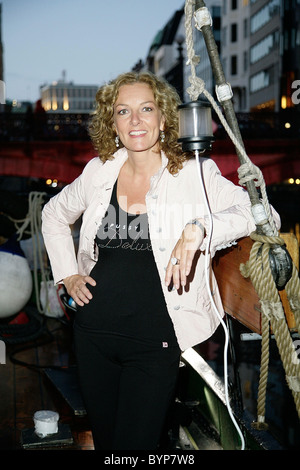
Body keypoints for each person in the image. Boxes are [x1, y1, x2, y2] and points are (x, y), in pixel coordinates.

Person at [41, 71, 280, 450]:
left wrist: (200, 228)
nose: (135, 120)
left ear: (164, 117)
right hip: (92, 336)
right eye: (123, 111)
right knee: (107, 445)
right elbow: (53, 215)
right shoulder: (98, 172)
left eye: (146, 109)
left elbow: (263, 212)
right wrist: (67, 274)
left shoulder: (193, 172)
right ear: (112, 122)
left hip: (155, 344)